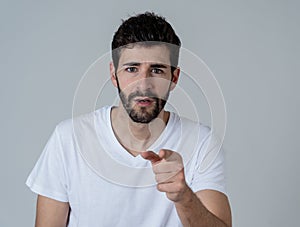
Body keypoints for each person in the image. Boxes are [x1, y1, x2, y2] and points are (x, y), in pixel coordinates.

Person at [26, 12, 232, 227]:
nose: (143, 85)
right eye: (132, 69)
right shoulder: (69, 138)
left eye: (157, 70)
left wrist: (184, 196)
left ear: (174, 78)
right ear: (114, 75)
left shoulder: (201, 142)